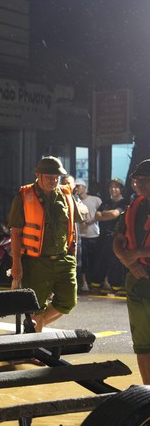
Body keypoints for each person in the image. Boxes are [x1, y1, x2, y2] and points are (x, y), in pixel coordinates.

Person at [8, 156, 82, 332]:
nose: (53, 180)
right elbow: (16, 233)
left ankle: (31, 328)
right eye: (49, 176)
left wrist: (73, 253)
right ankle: (34, 344)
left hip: (64, 260)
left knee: (68, 302)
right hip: (36, 262)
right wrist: (16, 264)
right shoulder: (23, 196)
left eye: (56, 177)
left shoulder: (66, 195)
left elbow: (73, 226)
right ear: (37, 175)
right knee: (36, 306)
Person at [113, 159, 150, 384]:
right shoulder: (135, 205)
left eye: (146, 181)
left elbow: (132, 250)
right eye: (137, 181)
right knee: (143, 343)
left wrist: (135, 254)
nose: (140, 185)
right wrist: (129, 262)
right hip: (137, 281)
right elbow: (118, 239)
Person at [88, 178, 128, 294]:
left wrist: (105, 214)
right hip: (103, 236)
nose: (113, 189)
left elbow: (114, 214)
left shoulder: (124, 203)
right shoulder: (105, 202)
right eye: (111, 187)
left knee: (115, 262)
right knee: (100, 260)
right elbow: (97, 215)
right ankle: (96, 285)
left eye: (116, 187)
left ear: (121, 189)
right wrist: (106, 214)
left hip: (116, 237)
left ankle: (116, 286)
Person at [73, 178, 102, 294]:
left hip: (94, 234)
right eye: (76, 186)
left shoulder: (96, 200)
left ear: (85, 187)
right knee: (83, 261)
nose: (77, 188)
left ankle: (96, 281)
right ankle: (84, 282)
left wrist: (94, 219)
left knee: (95, 260)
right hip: (81, 235)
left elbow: (102, 213)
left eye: (79, 186)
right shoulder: (74, 200)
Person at [63, 175, 90, 293]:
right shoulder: (57, 196)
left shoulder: (74, 197)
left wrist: (72, 207)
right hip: (61, 237)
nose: (67, 185)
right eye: (64, 182)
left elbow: (85, 210)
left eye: (69, 183)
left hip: (74, 236)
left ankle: (73, 289)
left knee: (76, 263)